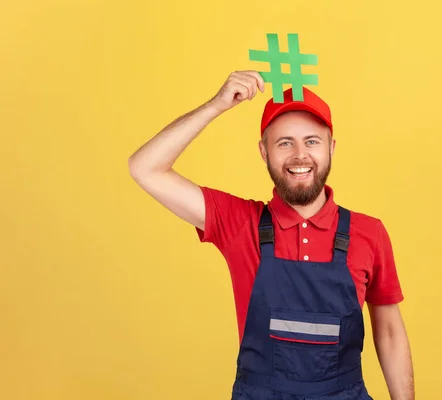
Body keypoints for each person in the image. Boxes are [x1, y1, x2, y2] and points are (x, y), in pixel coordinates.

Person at [128, 70, 415, 400]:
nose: (299, 155)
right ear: (264, 152)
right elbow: (144, 167)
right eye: (284, 143)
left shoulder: (369, 233)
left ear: (331, 148)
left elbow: (390, 333)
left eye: (311, 141)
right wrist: (215, 106)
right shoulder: (238, 223)